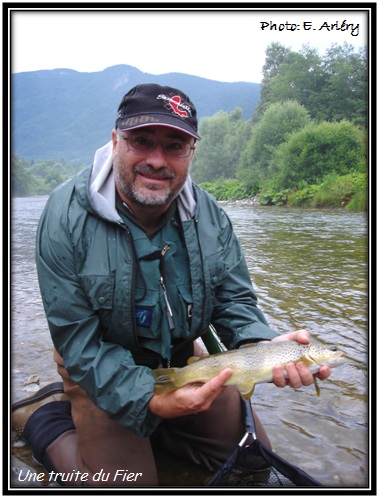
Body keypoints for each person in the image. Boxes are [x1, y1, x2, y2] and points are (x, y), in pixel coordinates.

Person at [12, 83, 331, 487]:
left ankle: (157, 434)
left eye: (175, 146)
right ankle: (47, 420)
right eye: (141, 141)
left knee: (250, 467)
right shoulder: (64, 216)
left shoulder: (211, 217)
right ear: (115, 142)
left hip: (184, 360)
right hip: (96, 367)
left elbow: (235, 301)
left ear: (191, 153)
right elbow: (78, 341)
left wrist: (258, 345)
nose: (157, 160)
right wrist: (151, 399)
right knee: (129, 486)